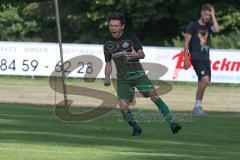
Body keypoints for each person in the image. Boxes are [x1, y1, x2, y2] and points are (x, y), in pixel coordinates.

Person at [103, 12, 181, 136]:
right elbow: (108, 63)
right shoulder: (107, 43)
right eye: (111, 25)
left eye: (116, 25)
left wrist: (136, 55)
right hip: (123, 79)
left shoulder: (131, 37)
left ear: (122, 26)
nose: (113, 28)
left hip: (139, 75)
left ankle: (172, 123)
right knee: (123, 106)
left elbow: (142, 54)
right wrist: (107, 77)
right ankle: (136, 127)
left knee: (154, 96)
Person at [184, 4, 220, 116]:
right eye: (206, 14)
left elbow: (217, 30)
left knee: (204, 81)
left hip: (205, 57)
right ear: (201, 13)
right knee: (204, 79)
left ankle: (197, 106)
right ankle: (198, 106)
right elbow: (186, 42)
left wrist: (214, 15)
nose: (207, 16)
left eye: (209, 15)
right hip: (196, 57)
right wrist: (186, 59)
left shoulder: (209, 25)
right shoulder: (193, 25)